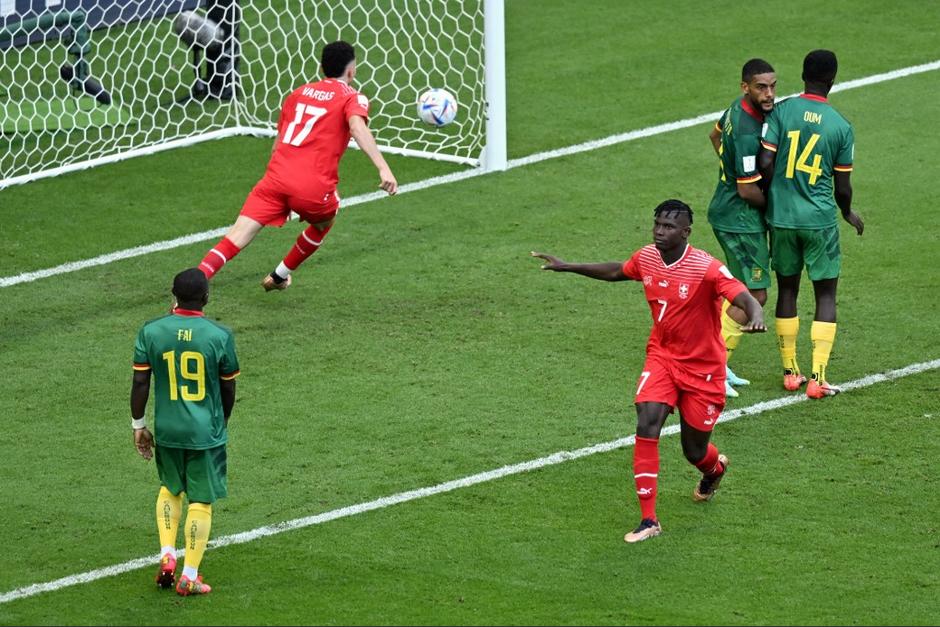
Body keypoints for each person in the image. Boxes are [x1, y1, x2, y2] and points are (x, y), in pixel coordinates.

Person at [532, 199, 766, 543]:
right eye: (657, 224)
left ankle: (714, 470)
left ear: (686, 232)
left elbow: (742, 295)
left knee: (695, 451)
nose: (659, 231)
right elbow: (618, 270)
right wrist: (569, 266)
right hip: (662, 358)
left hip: (703, 370)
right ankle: (649, 520)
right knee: (647, 421)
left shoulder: (706, 268)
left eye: (669, 227)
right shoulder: (647, 257)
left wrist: (756, 314)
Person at [198, 40, 398, 290]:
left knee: (235, 236)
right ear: (351, 71)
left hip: (275, 178)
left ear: (321, 68)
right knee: (325, 221)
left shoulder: (298, 93)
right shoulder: (353, 97)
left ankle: (194, 282)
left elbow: (278, 142)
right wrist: (383, 167)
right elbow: (357, 127)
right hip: (311, 188)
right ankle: (279, 276)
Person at [758, 50, 864, 398]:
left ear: (803, 75)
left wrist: (775, 195)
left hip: (782, 218)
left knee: (787, 289)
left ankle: (790, 372)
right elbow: (842, 186)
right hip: (819, 221)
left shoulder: (782, 110)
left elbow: (765, 160)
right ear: (832, 80)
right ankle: (818, 377)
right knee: (825, 294)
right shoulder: (840, 126)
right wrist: (846, 212)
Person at [130, 268, 240, 596]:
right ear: (206, 298)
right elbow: (228, 388)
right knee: (201, 502)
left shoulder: (151, 331)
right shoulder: (219, 335)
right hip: (205, 431)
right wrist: (221, 422)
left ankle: (167, 553)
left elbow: (140, 382)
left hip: (167, 428)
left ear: (172, 295)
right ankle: (189, 575)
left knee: (169, 489)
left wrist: (139, 425)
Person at [707, 58, 777, 399]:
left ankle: (716, 362)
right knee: (755, 294)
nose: (769, 94)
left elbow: (714, 136)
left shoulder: (735, 109)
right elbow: (748, 190)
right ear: (745, 87)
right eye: (761, 87)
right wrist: (777, 209)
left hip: (726, 211)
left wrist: (729, 167)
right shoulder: (749, 131)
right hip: (740, 219)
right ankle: (710, 370)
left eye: (773, 86)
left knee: (735, 288)